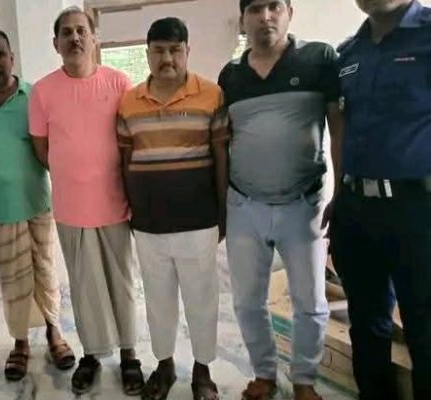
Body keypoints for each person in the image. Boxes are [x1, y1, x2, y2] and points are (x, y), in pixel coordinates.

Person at [218, 1, 344, 399]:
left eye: (274, 6)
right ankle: (265, 374)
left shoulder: (319, 59)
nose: (265, 16)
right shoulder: (230, 76)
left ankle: (304, 380)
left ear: (289, 11)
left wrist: (340, 193)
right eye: (255, 8)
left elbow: (339, 128)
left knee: (311, 302)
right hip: (244, 206)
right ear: (243, 18)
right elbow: (223, 142)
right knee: (247, 302)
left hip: (303, 206)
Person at [29, 6, 143, 396]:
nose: (75, 37)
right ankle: (92, 354)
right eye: (67, 32)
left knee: (121, 282)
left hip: (114, 202)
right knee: (83, 285)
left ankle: (129, 353)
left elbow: (128, 140)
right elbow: (41, 148)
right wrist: (74, 173)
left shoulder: (119, 82)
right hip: (71, 207)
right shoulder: (43, 91)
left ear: (95, 38)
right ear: (56, 43)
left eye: (81, 30)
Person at [117, 17, 229, 400]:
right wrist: (131, 208)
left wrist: (223, 211)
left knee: (202, 299)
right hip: (148, 223)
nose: (167, 58)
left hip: (198, 220)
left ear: (187, 51)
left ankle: (202, 371)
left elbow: (221, 154)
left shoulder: (211, 94)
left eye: (175, 50)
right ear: (147, 54)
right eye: (159, 50)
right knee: (158, 301)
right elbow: (124, 159)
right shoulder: (129, 101)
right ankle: (164, 366)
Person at [331, 1, 431, 399]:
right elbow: (341, 127)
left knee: (425, 326)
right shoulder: (348, 53)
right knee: (367, 324)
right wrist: (338, 197)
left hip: (418, 210)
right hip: (357, 208)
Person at [0, 28, 75, 382]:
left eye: (0, 54)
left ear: (12, 58)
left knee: (45, 272)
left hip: (38, 202)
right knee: (12, 281)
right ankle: (21, 342)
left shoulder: (35, 97)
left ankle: (55, 333)